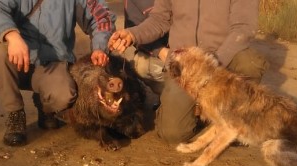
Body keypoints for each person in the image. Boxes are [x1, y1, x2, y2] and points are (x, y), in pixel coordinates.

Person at [109, 0, 269, 144]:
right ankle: (200, 112)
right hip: (184, 61)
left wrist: (214, 62)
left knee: (249, 63)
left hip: (222, 56)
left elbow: (243, 29)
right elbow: (159, 20)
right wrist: (133, 34)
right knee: (171, 134)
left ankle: (237, 120)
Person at [0, 0, 116, 146]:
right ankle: (15, 113)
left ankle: (45, 107)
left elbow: (101, 17)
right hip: (17, 60)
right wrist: (11, 36)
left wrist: (100, 47)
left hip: (54, 62)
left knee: (65, 96)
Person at [123, 0, 169, 95]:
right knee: (140, 64)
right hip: (166, 53)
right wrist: (160, 51)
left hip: (193, 49)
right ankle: (166, 94)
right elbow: (156, 22)